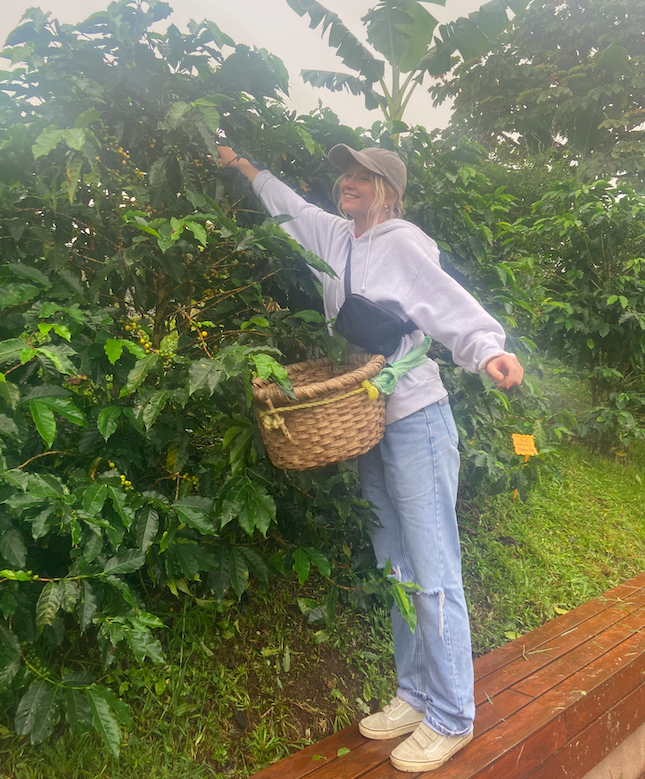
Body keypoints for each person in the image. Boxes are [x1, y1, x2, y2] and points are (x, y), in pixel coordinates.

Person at [217, 143, 523, 773]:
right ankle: (414, 696)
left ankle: (452, 714)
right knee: (394, 564)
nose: (348, 182)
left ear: (388, 190)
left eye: (364, 176)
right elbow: (289, 206)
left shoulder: (403, 242)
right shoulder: (335, 236)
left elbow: (446, 302)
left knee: (433, 568)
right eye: (346, 173)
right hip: (367, 422)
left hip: (418, 420)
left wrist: (487, 348)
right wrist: (247, 167)